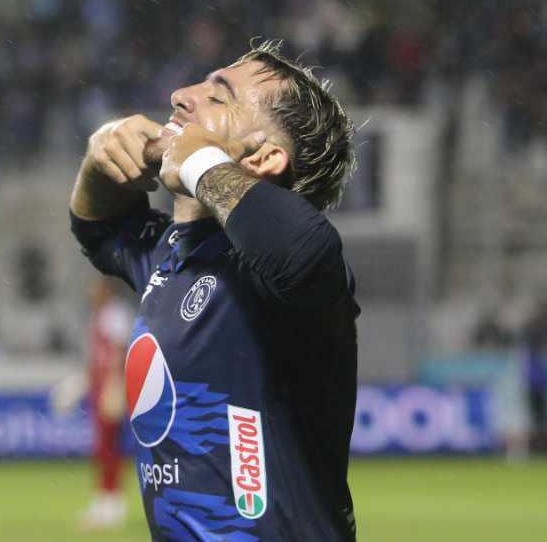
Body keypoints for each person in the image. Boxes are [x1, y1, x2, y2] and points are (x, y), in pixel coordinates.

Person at [70, 40, 359, 540]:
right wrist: (101, 155)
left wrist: (198, 159)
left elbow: (304, 249)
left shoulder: (286, 273)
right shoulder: (169, 255)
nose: (182, 95)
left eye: (219, 97)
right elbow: (96, 228)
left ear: (265, 158)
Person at [79, 276, 135, 531]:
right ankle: (105, 500)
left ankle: (112, 504)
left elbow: (123, 351)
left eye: (94, 287)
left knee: (110, 447)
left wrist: (116, 386)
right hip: (100, 386)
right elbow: (96, 358)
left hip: (112, 387)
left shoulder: (116, 315)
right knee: (103, 447)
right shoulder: (99, 316)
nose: (89, 292)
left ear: (106, 290)